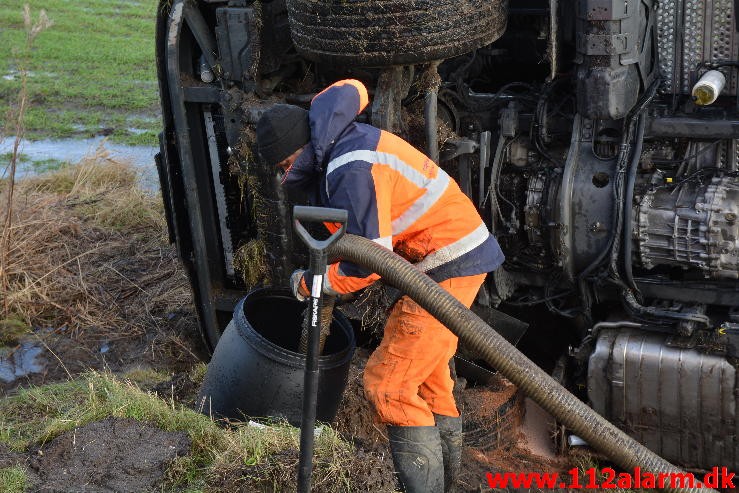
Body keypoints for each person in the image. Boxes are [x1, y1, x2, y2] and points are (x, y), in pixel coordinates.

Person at [255, 79, 504, 493]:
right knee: (428, 379)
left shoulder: (349, 168)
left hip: (446, 261)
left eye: (283, 168)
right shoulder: (343, 143)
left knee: (388, 385)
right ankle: (445, 484)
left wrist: (317, 282)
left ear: (294, 155)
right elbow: (356, 235)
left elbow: (371, 259)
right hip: (448, 256)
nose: (285, 176)